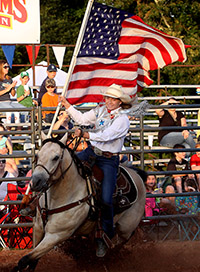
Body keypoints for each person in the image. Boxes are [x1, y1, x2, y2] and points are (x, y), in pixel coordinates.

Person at [59, 83, 132, 257]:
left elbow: (107, 136)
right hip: (91, 152)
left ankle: (106, 233)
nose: (109, 101)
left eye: (113, 99)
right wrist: (67, 105)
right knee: (64, 168)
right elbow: (83, 120)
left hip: (108, 159)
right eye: (108, 97)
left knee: (106, 199)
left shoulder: (123, 119)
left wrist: (84, 135)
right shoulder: (100, 111)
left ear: (120, 102)